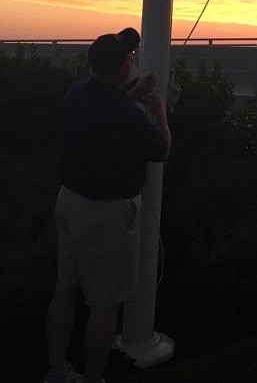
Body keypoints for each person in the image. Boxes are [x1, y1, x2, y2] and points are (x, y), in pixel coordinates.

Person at [44, 28, 172, 383]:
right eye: (130, 57)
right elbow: (160, 150)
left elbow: (107, 109)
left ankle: (57, 371)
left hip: (69, 203)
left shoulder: (77, 93)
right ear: (121, 68)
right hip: (105, 216)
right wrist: (158, 111)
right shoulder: (123, 113)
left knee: (65, 289)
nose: (132, 60)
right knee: (105, 306)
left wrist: (132, 95)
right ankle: (94, 378)